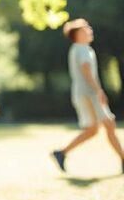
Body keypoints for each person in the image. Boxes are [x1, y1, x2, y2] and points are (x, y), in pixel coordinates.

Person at [51, 18, 124, 175]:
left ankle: (61, 153)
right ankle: (123, 159)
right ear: (77, 34)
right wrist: (98, 91)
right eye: (86, 29)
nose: (90, 30)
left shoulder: (76, 49)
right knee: (109, 123)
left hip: (81, 92)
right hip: (89, 93)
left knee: (92, 129)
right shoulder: (83, 49)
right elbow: (86, 70)